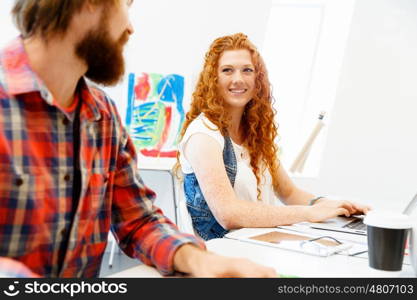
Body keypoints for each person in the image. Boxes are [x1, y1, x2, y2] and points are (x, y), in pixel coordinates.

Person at [0, 0, 277, 278]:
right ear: (89, 5)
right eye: (127, 6)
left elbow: (138, 221)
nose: (130, 28)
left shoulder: (102, 115)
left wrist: (198, 260)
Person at [176, 33, 370, 241]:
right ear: (212, 79)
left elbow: (289, 193)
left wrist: (331, 204)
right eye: (227, 70)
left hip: (260, 244)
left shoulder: (254, 133)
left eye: (247, 70)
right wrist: (309, 214)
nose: (238, 79)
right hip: (222, 255)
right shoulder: (203, 135)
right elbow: (228, 214)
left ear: (258, 79)